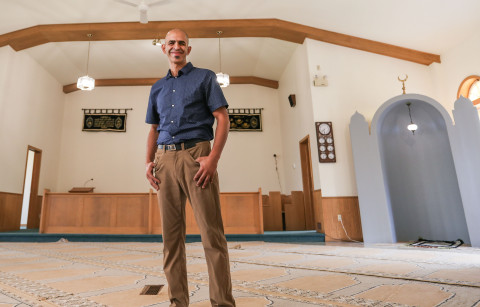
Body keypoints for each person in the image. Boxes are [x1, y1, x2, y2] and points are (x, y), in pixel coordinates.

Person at [145, 28, 236, 307]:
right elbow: (154, 128)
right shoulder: (157, 87)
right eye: (171, 43)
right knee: (171, 238)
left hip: (196, 157)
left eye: (181, 43)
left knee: (211, 234)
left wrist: (213, 159)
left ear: (188, 49)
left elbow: (223, 118)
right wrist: (148, 162)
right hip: (164, 160)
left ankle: (221, 302)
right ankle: (177, 302)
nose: (176, 47)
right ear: (164, 48)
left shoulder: (205, 77)